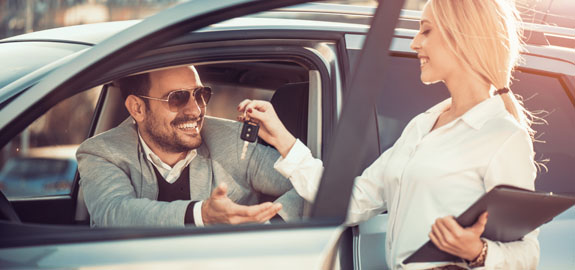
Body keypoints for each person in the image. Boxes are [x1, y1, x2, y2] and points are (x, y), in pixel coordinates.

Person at [239, 0, 539, 269]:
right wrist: (283, 140)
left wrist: (477, 252)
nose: (414, 43)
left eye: (426, 31)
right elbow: (353, 201)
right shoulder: (422, 125)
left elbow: (527, 254)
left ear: (461, 36)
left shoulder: (502, 136)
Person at [77, 65, 304, 227]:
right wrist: (201, 215)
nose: (196, 110)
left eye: (200, 94)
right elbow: (114, 213)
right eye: (177, 98)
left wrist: (268, 226)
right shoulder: (101, 152)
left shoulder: (234, 141)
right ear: (137, 108)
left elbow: (309, 185)